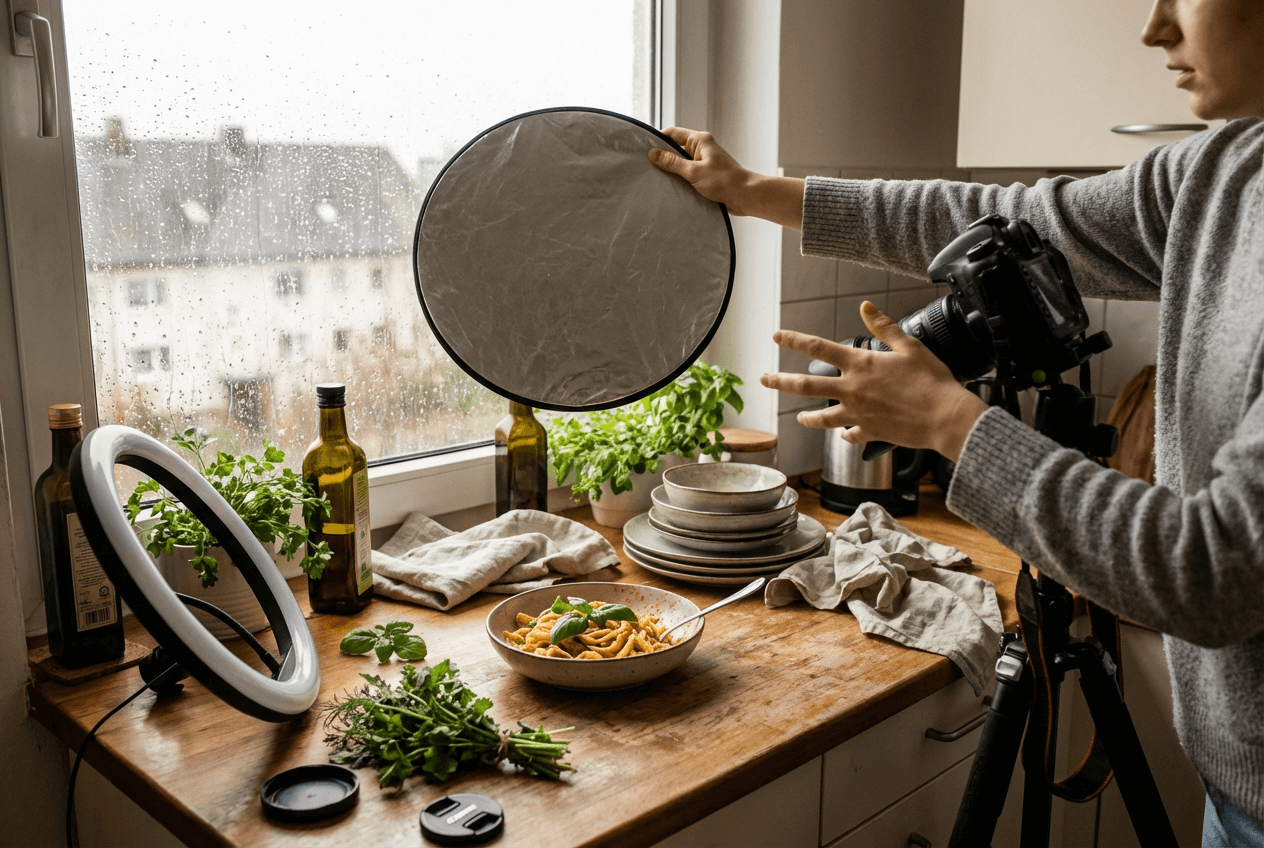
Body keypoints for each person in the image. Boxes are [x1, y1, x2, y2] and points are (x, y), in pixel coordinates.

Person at [648, 0, 1264, 844]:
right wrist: (758, 193)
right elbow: (993, 221)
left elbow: (1209, 574)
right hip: (1232, 783)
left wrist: (950, 422)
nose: (1154, 29)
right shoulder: (1227, 169)